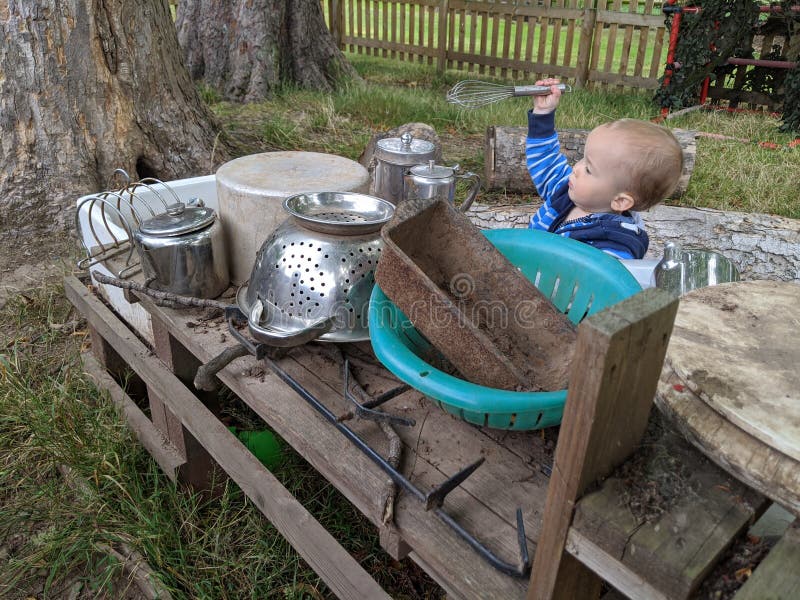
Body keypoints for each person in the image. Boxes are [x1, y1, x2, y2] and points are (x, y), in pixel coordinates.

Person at [526, 78, 684, 259]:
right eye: (582, 160)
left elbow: (602, 280)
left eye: (589, 170)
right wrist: (543, 113)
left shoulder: (616, 244)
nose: (576, 168)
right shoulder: (568, 190)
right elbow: (546, 161)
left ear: (620, 202)